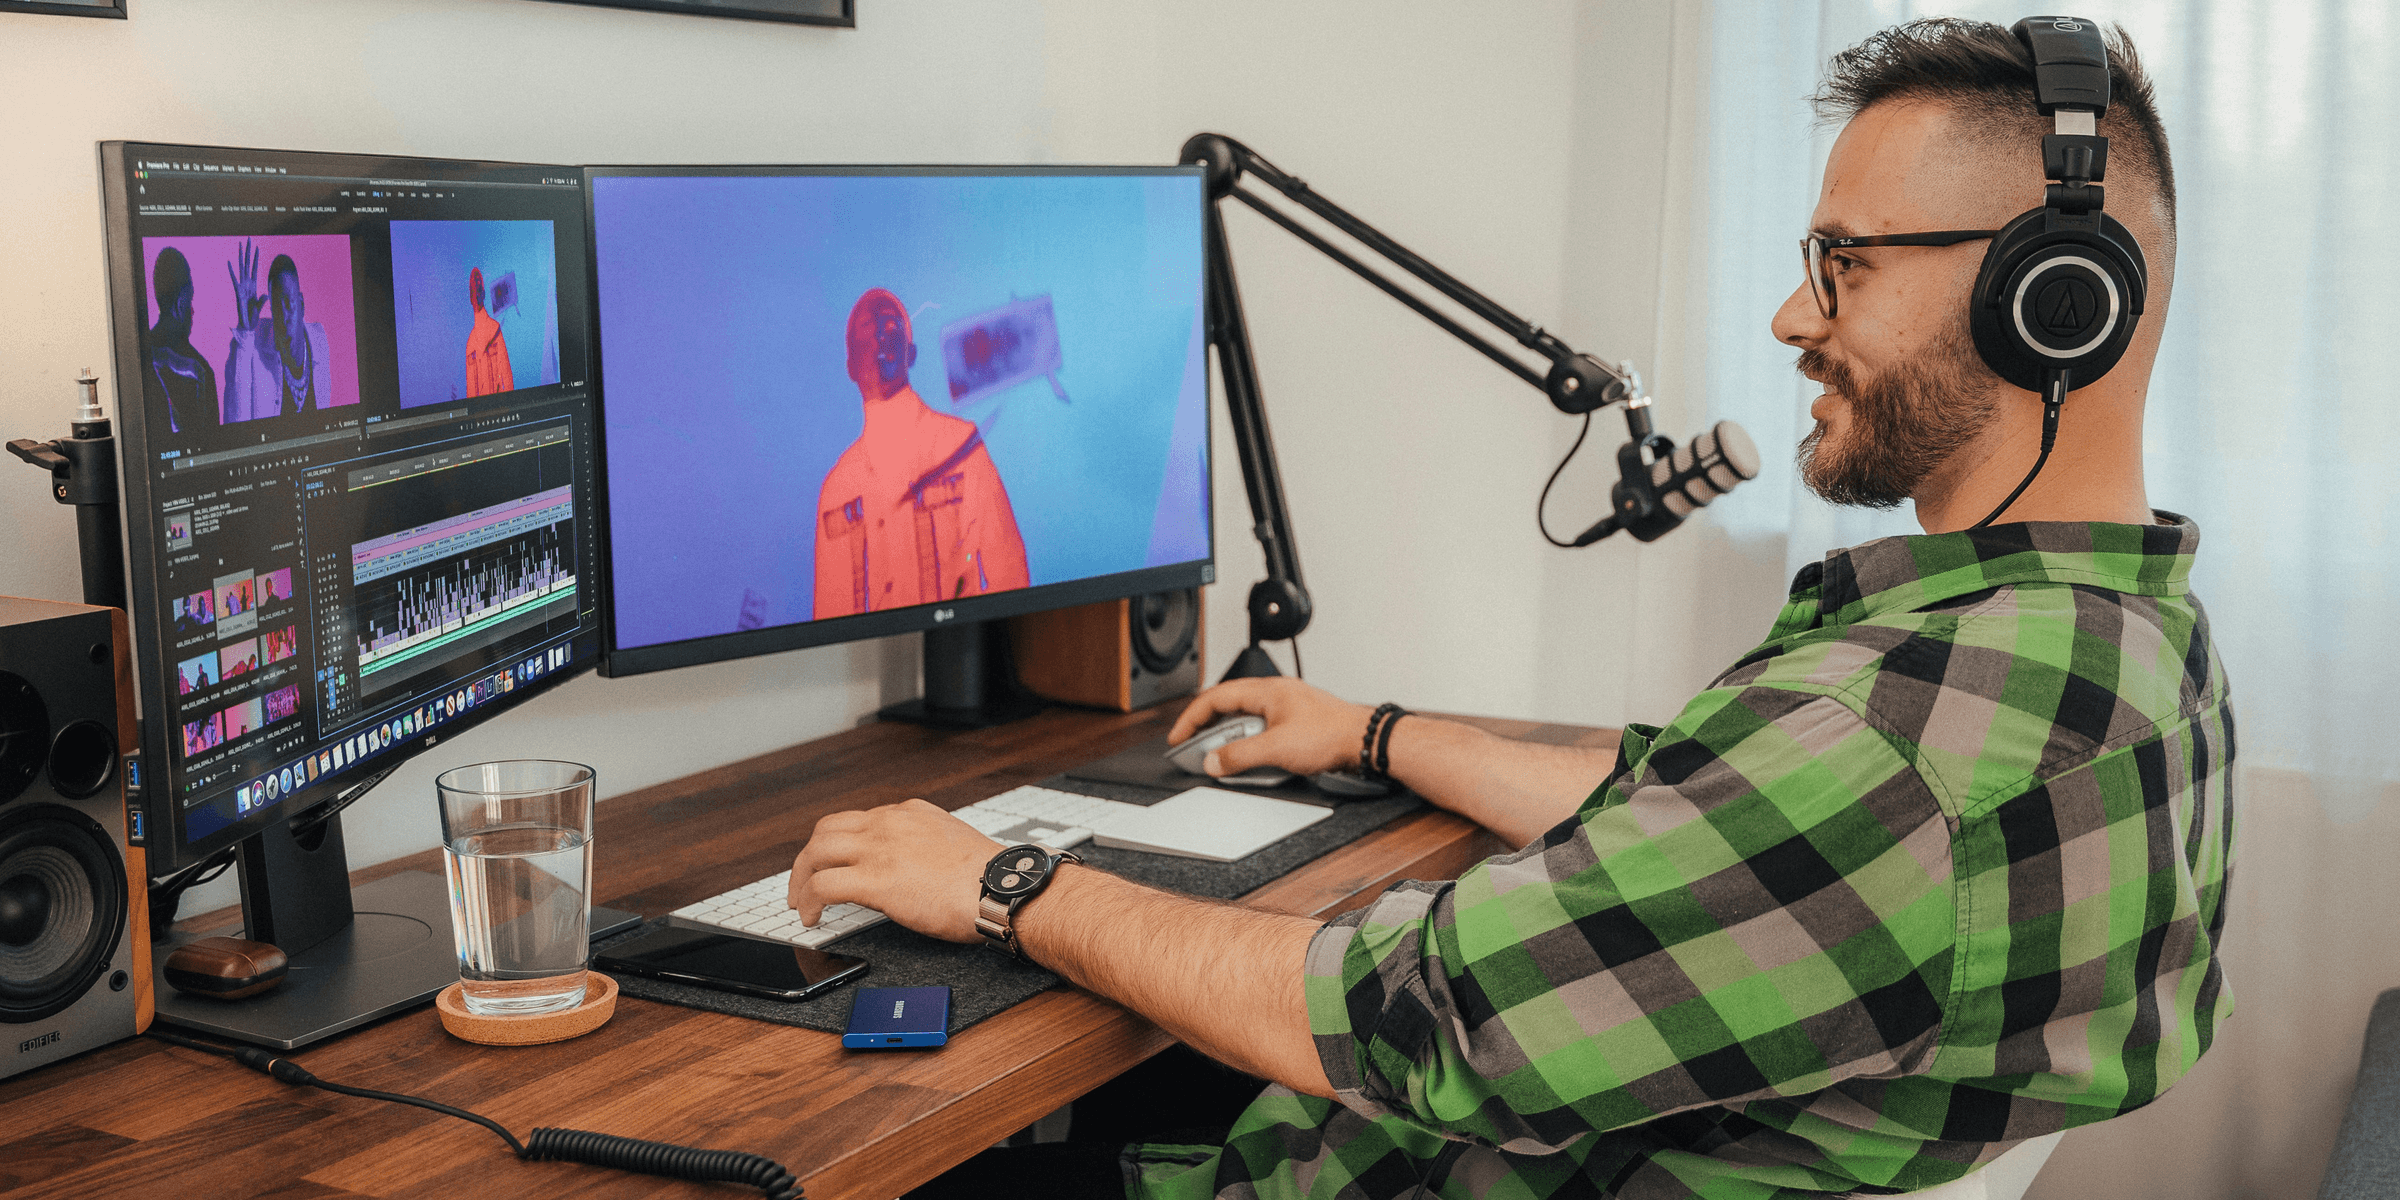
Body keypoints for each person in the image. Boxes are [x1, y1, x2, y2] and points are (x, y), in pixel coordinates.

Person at [788, 18, 2233, 1199]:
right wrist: (1377, 733)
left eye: (1842, 266)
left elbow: (1403, 1015)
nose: (1796, 320)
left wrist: (1005, 884)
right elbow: (1715, 811)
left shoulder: (1896, 749)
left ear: (2052, 301)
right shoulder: (2124, 639)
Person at [812, 287, 1030, 618]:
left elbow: (1010, 578)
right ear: (851, 366)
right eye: (867, 329)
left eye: (890, 326)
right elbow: (829, 621)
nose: (881, 337)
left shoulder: (960, 447)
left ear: (910, 354)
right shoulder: (837, 489)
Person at [223, 240, 332, 421]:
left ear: (302, 304)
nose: (284, 315)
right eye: (277, 306)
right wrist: (245, 332)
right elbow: (235, 425)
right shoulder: (253, 345)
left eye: (289, 302)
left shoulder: (319, 340)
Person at [146, 247, 220, 435]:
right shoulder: (200, 372)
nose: (193, 311)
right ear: (181, 303)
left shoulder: (136, 356)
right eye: (191, 300)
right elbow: (213, 445)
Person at [464, 266, 514, 397]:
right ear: (470, 297)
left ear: (484, 293)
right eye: (473, 290)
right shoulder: (470, 344)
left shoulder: (494, 329)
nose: (476, 294)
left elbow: (507, 378)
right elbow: (471, 391)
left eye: (479, 289)